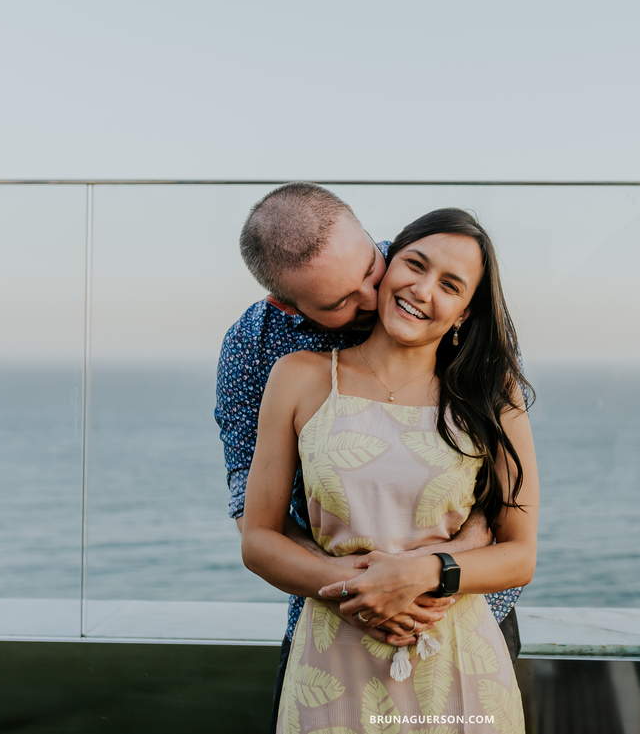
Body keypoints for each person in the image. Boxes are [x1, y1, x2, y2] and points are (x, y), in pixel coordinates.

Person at [214, 184, 524, 729]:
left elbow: (498, 497)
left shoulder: (424, 272)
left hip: (465, 622)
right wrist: (360, 591)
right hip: (333, 624)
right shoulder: (256, 350)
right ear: (288, 304)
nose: (373, 295)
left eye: (370, 269)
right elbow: (256, 518)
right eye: (340, 302)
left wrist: (430, 571)